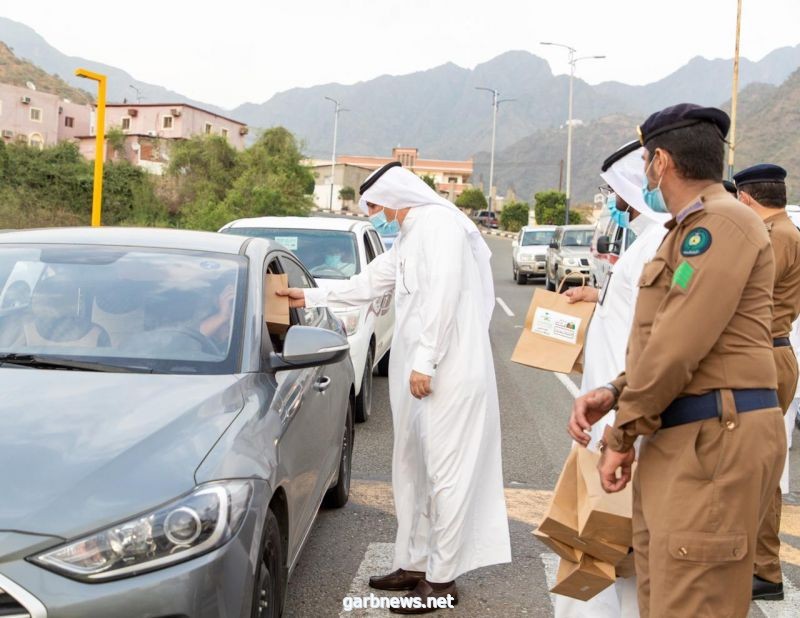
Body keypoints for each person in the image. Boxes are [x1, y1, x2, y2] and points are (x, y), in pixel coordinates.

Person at [567, 103, 785, 617]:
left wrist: (621, 433)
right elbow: (667, 335)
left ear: (661, 161)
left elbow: (678, 345)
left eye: (647, 161)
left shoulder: (719, 226)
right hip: (693, 434)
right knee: (665, 592)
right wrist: (615, 393)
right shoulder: (689, 229)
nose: (646, 173)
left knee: (690, 602)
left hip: (714, 437)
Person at [278, 162, 510, 613]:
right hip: (421, 378)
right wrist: (305, 297)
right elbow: (367, 284)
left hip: (449, 372)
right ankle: (414, 563)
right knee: (413, 470)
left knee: (445, 476)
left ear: (395, 196)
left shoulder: (439, 225)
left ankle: (442, 581)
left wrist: (426, 361)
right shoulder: (409, 236)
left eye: (376, 205)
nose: (374, 213)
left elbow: (442, 297)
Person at [556, 142, 669, 618]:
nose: (615, 201)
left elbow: (655, 339)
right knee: (613, 543)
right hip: (609, 402)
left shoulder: (663, 235)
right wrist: (593, 293)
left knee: (616, 539)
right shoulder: (647, 236)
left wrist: (622, 423)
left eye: (619, 189)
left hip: (625, 411)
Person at [733, 163, 800, 601]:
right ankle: (758, 564)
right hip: (773, 350)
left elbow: (740, 288)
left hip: (765, 353)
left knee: (759, 467)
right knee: (757, 465)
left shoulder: (774, 237)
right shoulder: (788, 232)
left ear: (747, 199)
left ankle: (765, 569)